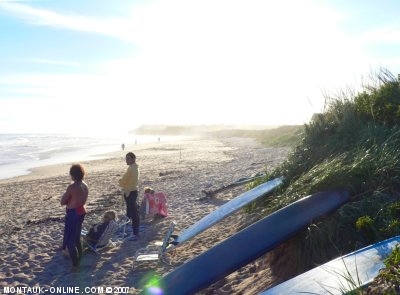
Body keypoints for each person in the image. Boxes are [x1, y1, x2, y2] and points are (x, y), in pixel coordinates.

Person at [60, 164, 88, 271]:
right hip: (81, 211)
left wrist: (68, 197)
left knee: (71, 240)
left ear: (73, 174)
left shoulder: (72, 187)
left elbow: (62, 201)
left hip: (73, 213)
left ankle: (75, 265)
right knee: (77, 238)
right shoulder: (85, 185)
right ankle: (79, 258)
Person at [118, 152, 140, 241]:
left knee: (133, 212)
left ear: (133, 159)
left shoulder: (132, 168)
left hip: (130, 192)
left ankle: (135, 232)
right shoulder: (135, 167)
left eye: (128, 159)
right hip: (132, 191)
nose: (126, 160)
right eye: (126, 158)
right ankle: (131, 230)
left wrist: (120, 181)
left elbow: (123, 181)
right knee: (131, 212)